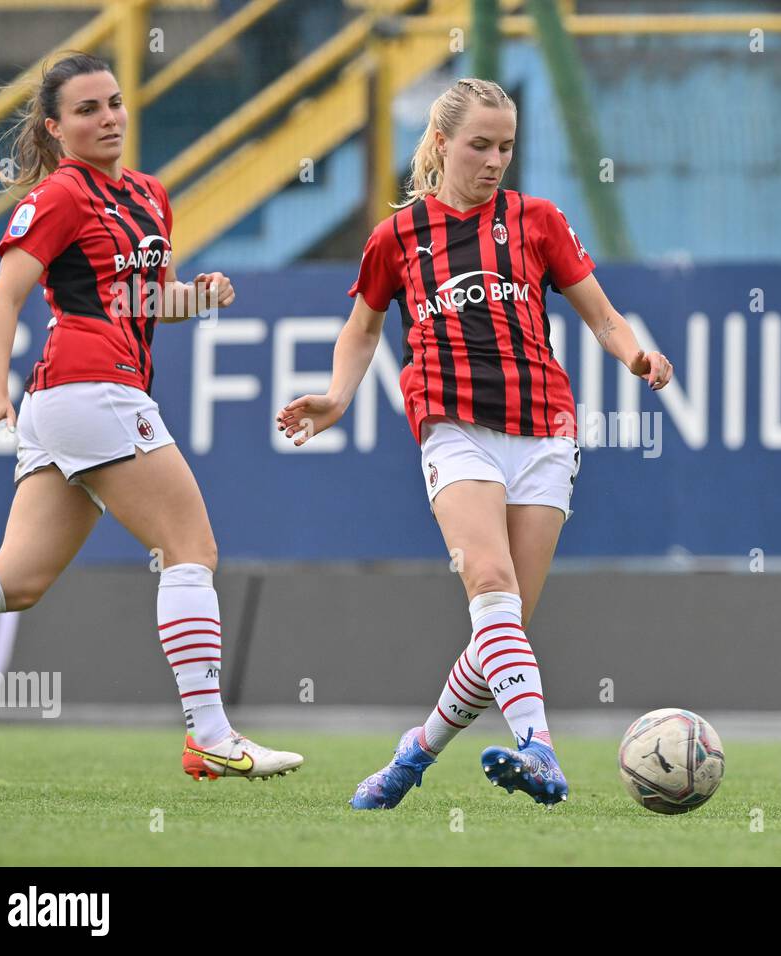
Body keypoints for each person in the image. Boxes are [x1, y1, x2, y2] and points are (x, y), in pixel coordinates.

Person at [277, 77, 672, 809]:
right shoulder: (396, 238)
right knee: (489, 584)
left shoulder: (537, 220)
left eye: (507, 147)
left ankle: (410, 757)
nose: (495, 160)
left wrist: (636, 356)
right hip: (454, 431)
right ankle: (542, 751)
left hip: (546, 431)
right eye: (480, 145)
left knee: (503, 632)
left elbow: (604, 315)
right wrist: (336, 396)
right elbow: (361, 330)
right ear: (440, 145)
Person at [0, 52, 302, 781]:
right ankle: (210, 736)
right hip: (91, 388)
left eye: (113, 102)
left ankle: (210, 738)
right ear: (54, 128)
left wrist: (197, 297)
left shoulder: (148, 193)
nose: (108, 117)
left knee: (14, 581)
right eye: (86, 110)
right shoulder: (58, 196)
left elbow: (147, 300)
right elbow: (3, 299)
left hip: (75, 403)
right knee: (192, 549)